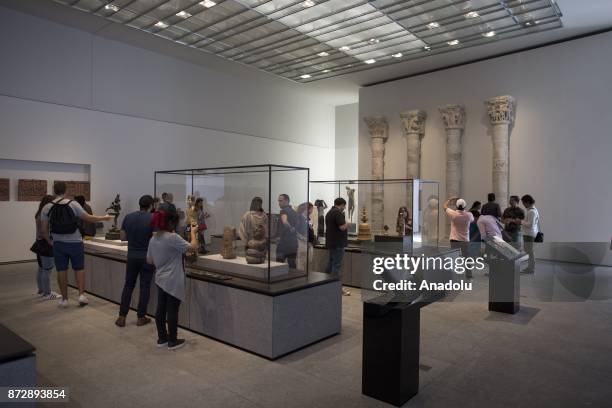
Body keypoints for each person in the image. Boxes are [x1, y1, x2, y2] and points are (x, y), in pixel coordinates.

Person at [41, 181, 113, 308]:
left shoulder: (47, 207)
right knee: (79, 268)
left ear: (54, 191)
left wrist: (50, 241)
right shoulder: (73, 204)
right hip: (75, 242)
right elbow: (88, 218)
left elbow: (43, 229)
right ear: (66, 191)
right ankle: (81, 295)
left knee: (61, 270)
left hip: (58, 243)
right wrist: (104, 218)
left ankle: (64, 299)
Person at [147, 210, 198, 350]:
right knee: (172, 310)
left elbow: (149, 260)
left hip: (160, 278)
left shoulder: (153, 238)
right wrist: (193, 233)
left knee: (160, 309)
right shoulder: (172, 237)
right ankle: (172, 341)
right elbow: (193, 247)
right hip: (174, 279)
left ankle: (162, 338)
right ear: (170, 222)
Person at [115, 195, 155, 328]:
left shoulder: (128, 217)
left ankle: (122, 316)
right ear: (151, 206)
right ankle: (141, 317)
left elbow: (122, 237)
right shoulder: (152, 218)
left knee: (128, 286)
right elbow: (156, 239)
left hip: (131, 256)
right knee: (144, 287)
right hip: (146, 258)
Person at [34, 195, 60, 300]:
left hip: (39, 242)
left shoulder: (38, 214)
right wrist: (50, 242)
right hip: (45, 243)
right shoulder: (45, 215)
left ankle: (41, 290)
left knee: (41, 268)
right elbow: (44, 232)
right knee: (47, 269)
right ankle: (47, 293)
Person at [325, 198, 350, 296]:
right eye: (344, 206)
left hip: (331, 243)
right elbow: (342, 227)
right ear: (342, 205)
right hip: (338, 244)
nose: (344, 208)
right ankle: (336, 288)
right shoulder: (338, 213)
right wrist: (348, 223)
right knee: (336, 265)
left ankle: (326, 284)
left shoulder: (329, 212)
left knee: (330, 264)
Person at [444, 197, 474, 278]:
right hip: (465, 240)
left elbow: (445, 206)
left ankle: (453, 274)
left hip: (454, 239)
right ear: (465, 206)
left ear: (456, 206)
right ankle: (469, 274)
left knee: (454, 257)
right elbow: (472, 220)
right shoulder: (469, 215)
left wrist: (450, 199)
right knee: (467, 257)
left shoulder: (453, 213)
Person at [276, 194, 298, 268]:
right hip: (293, 243)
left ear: (287, 201)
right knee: (292, 265)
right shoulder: (294, 212)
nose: (279, 202)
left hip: (283, 243)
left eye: (280, 201)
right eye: (278, 201)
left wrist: (290, 228)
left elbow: (284, 221)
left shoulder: (283, 211)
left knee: (278, 266)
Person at [521, 194, 540, 274]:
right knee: (529, 251)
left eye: (524, 203)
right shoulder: (533, 210)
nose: (523, 205)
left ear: (528, 202)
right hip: (529, 234)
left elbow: (530, 224)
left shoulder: (532, 211)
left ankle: (531, 268)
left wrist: (520, 222)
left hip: (529, 234)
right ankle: (530, 267)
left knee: (530, 252)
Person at [296, 202, 315, 271]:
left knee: (308, 261)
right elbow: (296, 231)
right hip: (302, 244)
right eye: (312, 209)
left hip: (309, 244)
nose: (312, 211)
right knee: (301, 263)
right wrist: (304, 239)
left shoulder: (308, 219)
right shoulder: (299, 218)